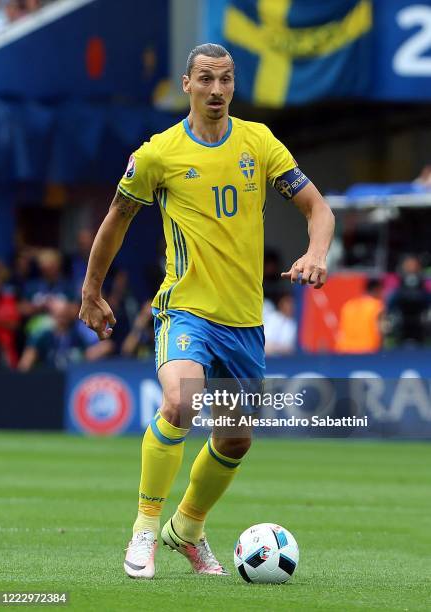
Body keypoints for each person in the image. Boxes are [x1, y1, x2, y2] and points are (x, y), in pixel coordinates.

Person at [79, 43, 334, 579]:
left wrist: (315, 253)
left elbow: (317, 207)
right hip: (186, 309)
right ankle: (145, 531)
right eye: (206, 79)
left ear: (233, 84)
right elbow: (117, 218)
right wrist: (91, 289)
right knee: (179, 401)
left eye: (225, 79)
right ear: (187, 84)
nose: (217, 90)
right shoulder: (158, 154)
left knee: (236, 437)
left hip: (244, 319)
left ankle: (187, 529)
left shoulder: (258, 142)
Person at [18, 297, 112, 371]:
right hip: (49, 377)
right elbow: (26, 361)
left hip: (72, 376)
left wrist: (88, 355)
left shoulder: (76, 335)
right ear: (53, 316)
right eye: (59, 316)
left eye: (64, 315)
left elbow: (90, 353)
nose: (62, 319)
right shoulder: (44, 336)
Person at [335, 278, 385, 354]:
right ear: (377, 289)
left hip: (345, 350)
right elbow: (380, 330)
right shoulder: (377, 306)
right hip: (368, 350)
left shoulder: (348, 305)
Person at [264, 291, 297, 355]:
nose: (289, 306)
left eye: (291, 304)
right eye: (287, 303)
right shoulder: (273, 317)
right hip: (268, 356)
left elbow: (289, 347)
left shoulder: (293, 323)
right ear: (281, 304)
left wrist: (278, 348)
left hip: (284, 359)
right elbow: (266, 342)